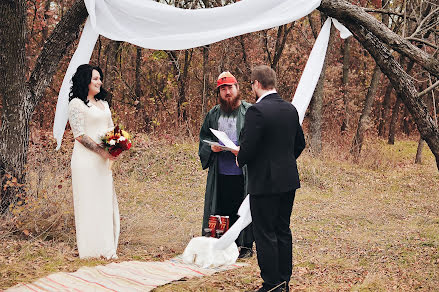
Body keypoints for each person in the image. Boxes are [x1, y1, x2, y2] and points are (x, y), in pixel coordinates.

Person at [236, 65, 306, 292]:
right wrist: (284, 161)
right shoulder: (290, 109)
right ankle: (284, 281)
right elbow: (299, 144)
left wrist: (240, 158)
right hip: (287, 180)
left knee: (264, 232)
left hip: (265, 182)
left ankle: (271, 284)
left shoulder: (257, 111)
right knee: (282, 230)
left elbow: (248, 147)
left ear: (256, 84)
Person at [198, 71, 254, 258]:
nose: (227, 92)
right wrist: (211, 149)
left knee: (244, 209)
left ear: (237, 88)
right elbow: (204, 137)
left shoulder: (250, 112)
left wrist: (244, 150)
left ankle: (246, 245)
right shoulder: (213, 114)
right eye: (223, 89)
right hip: (220, 171)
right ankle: (220, 243)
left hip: (243, 172)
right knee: (221, 207)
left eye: (230, 87)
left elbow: (258, 138)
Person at [68, 64, 120, 259]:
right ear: (85, 80)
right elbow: (79, 135)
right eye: (96, 78)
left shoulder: (103, 103)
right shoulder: (76, 104)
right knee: (89, 202)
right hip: (86, 161)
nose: (100, 82)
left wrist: (116, 146)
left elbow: (111, 128)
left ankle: (107, 248)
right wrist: (101, 151)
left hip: (103, 161)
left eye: (100, 78)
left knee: (104, 201)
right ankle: (90, 250)